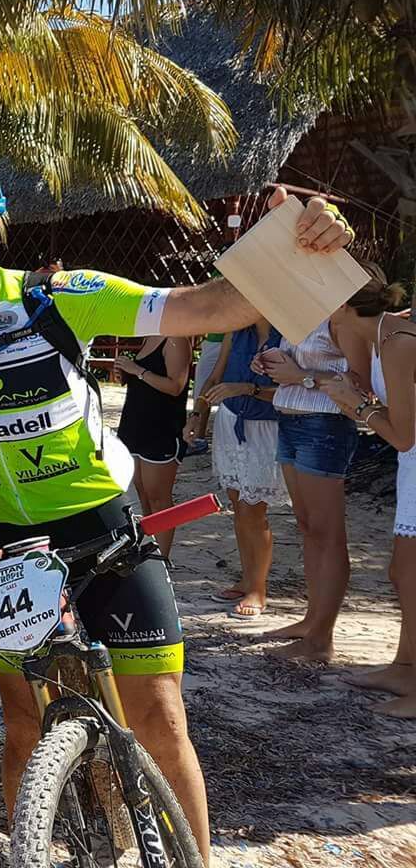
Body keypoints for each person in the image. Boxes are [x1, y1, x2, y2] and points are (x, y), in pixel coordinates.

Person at [0, 158, 353, 866]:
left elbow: (207, 306)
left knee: (159, 718)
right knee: (24, 727)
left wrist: (305, 247)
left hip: (100, 528)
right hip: (4, 544)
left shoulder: (60, 297)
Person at [319, 264, 415, 715]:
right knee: (402, 572)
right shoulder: (380, 337)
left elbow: (402, 434)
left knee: (409, 573)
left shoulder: (396, 342)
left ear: (341, 305)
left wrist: (354, 405)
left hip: (412, 455)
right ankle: (404, 665)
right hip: (410, 462)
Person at [253, 315, 370, 662]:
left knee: (328, 533)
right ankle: (312, 622)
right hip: (290, 419)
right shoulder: (303, 311)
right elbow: (297, 368)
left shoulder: (343, 319)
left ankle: (322, 639)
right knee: (308, 527)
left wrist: (300, 377)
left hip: (325, 423)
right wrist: (269, 363)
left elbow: (361, 382)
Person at [188, 319, 286, 619]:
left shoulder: (289, 335)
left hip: (266, 427)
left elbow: (292, 389)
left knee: (254, 508)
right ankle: (247, 579)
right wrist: (197, 417)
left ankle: (258, 588)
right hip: (231, 423)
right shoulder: (235, 331)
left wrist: (247, 388)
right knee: (238, 505)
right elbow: (215, 377)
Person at [114, 335, 192, 556]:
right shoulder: (149, 337)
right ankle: (151, 550)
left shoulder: (177, 340)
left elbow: (176, 385)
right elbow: (146, 377)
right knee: (143, 492)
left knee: (159, 497)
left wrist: (137, 370)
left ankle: (162, 557)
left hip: (162, 428)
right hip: (136, 424)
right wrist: (126, 374)